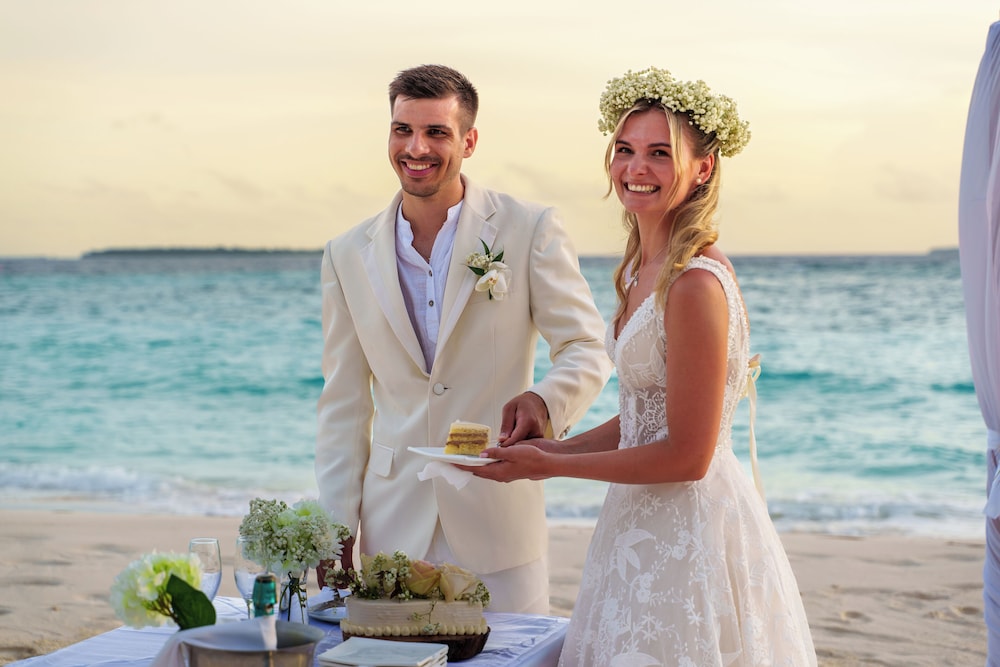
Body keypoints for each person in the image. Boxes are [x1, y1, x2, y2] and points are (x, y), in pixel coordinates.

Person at [466, 67, 817, 664]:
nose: (636, 169)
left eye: (660, 153)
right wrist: (549, 451)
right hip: (636, 524)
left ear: (702, 168)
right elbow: (641, 418)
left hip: (691, 529)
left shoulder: (694, 284)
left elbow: (688, 454)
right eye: (625, 150)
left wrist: (554, 470)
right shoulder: (637, 273)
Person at [313, 64, 613, 614]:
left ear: (469, 141)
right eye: (402, 130)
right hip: (391, 527)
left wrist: (547, 401)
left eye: (436, 132)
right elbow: (344, 403)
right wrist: (336, 521)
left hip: (498, 518)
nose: (416, 147)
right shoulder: (345, 254)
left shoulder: (529, 228)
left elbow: (586, 346)